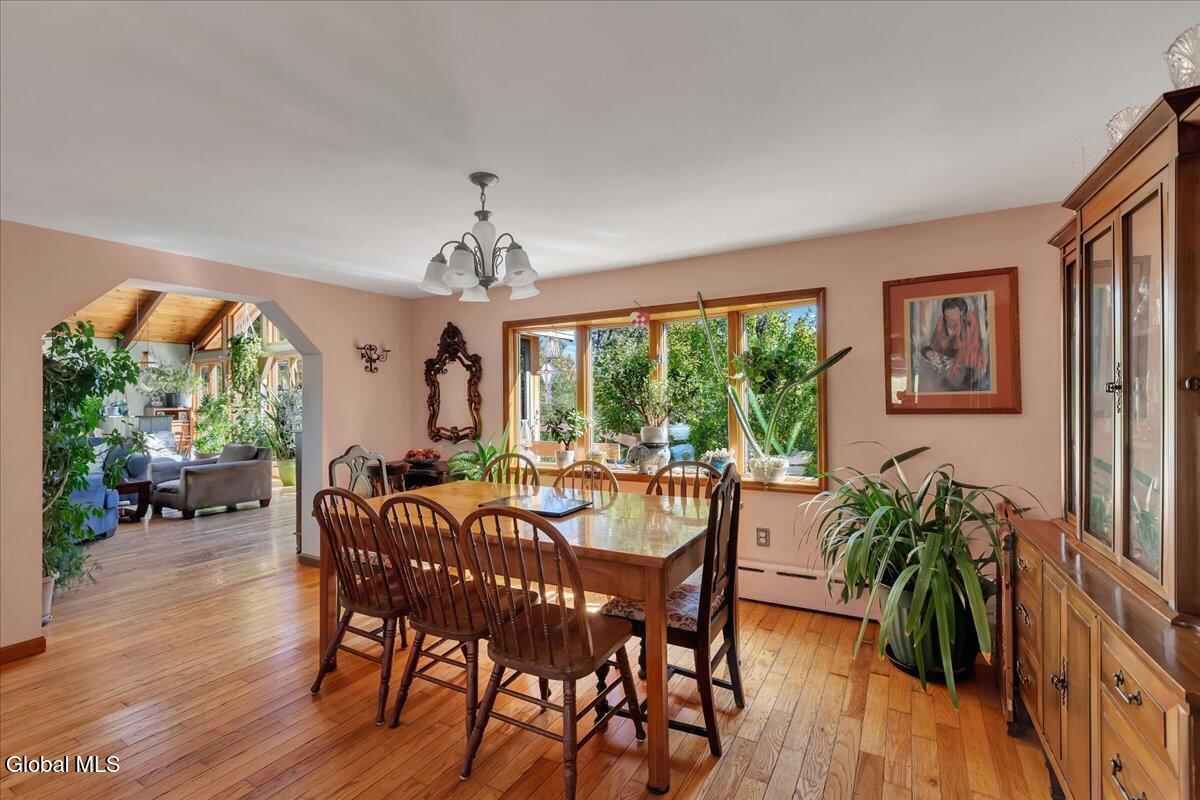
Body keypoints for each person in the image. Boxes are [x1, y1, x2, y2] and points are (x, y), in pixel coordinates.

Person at [918, 296, 987, 392]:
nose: (950, 314)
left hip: (966, 365)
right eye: (948, 310)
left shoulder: (969, 322)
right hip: (945, 359)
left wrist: (954, 367)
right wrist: (930, 353)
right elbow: (935, 344)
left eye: (954, 310)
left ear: (962, 312)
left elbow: (970, 350)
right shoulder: (941, 321)